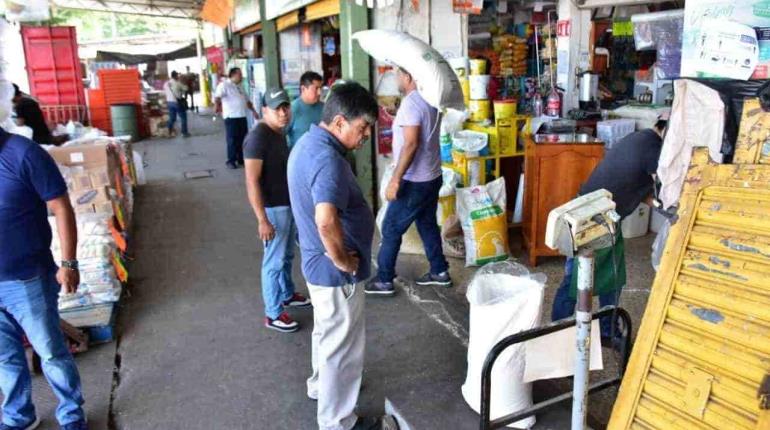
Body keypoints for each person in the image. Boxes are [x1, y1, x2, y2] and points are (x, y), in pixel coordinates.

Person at [287, 82, 395, 430]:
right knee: (342, 347)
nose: (365, 137)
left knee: (327, 334)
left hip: (316, 266)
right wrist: (344, 261)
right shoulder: (327, 161)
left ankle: (321, 387)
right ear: (338, 123)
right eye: (362, 128)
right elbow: (325, 220)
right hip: (334, 272)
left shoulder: (307, 143)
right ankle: (338, 422)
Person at [0, 127, 88, 430]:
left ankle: (72, 415)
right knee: (6, 359)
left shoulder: (24, 153)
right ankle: (18, 416)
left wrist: (69, 263)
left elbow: (61, 206)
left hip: (28, 280)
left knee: (50, 352)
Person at [551, 117, 668, 343]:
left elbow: (638, 188)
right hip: (592, 220)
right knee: (576, 280)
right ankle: (557, 333)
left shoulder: (640, 139)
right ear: (666, 131)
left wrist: (660, 207)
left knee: (612, 277)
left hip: (598, 215)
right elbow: (663, 189)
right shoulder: (653, 149)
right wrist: (670, 207)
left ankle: (605, 329)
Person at [366, 67, 451, 296]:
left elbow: (411, 144)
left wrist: (395, 180)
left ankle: (384, 279)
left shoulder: (411, 104)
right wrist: (398, 115)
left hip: (414, 181)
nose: (396, 79)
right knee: (427, 224)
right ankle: (439, 271)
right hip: (432, 176)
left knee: (391, 228)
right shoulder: (430, 99)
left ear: (409, 77)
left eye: (398, 74)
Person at [243, 87, 311, 333]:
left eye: (285, 107)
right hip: (273, 210)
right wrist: (262, 219)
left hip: (286, 204)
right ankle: (273, 313)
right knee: (273, 262)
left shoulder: (277, 132)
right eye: (277, 109)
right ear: (264, 111)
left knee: (286, 256)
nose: (283, 113)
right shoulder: (258, 138)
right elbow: (251, 181)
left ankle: (286, 294)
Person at [215, 67, 258, 169]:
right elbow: (217, 97)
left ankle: (240, 158)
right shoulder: (225, 85)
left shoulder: (240, 86)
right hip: (231, 117)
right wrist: (216, 106)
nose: (241, 76)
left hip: (242, 116)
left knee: (243, 139)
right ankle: (231, 160)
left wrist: (254, 112)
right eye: (239, 74)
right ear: (233, 75)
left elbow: (247, 101)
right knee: (232, 139)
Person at [286, 71, 324, 150]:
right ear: (303, 89)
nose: (319, 92)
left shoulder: (324, 108)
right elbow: (281, 136)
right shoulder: (292, 109)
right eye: (316, 88)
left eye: (321, 88)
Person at [164, 71, 190, 138]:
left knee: (172, 118)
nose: (178, 77)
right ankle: (184, 133)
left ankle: (168, 131)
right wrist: (184, 82)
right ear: (175, 76)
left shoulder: (166, 84)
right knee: (183, 117)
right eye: (177, 76)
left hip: (169, 102)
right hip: (177, 102)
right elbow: (186, 88)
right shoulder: (178, 83)